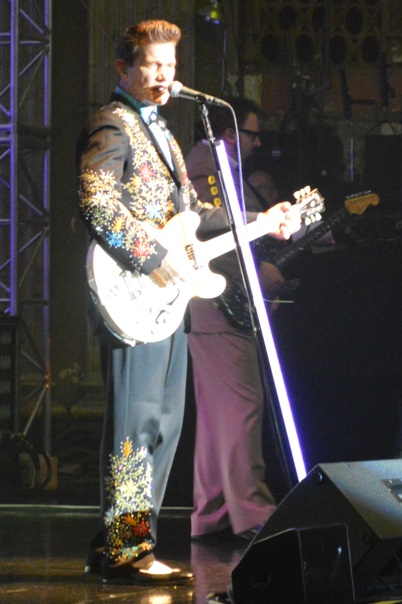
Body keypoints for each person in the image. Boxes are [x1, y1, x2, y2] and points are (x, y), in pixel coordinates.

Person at [76, 21, 300, 584]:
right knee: (136, 422)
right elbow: (97, 202)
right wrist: (152, 257)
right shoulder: (112, 123)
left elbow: (193, 216)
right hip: (133, 293)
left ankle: (123, 543)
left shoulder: (167, 136)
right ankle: (126, 551)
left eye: (170, 66)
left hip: (168, 301)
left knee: (165, 422)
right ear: (124, 69)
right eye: (153, 65)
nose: (164, 75)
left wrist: (260, 221)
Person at [186, 98, 292, 541]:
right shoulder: (206, 166)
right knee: (243, 407)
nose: (258, 143)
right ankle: (253, 511)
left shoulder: (214, 167)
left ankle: (212, 513)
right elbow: (207, 233)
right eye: (252, 134)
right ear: (230, 134)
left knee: (219, 416)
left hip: (214, 303)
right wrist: (254, 271)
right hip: (217, 301)